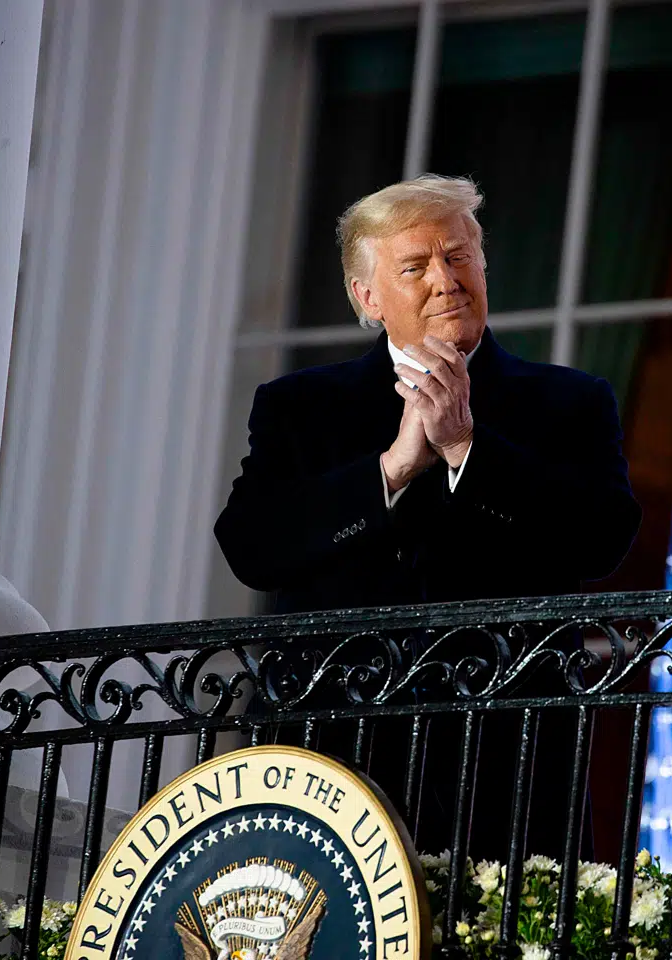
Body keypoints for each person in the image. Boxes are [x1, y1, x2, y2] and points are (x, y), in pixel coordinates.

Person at [215, 175, 641, 858]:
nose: (446, 280)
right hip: (334, 757)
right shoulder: (301, 407)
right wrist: (391, 470)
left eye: (459, 256)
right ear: (368, 297)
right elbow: (251, 547)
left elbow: (601, 539)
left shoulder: (570, 401)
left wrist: (467, 448)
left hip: (510, 761)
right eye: (415, 266)